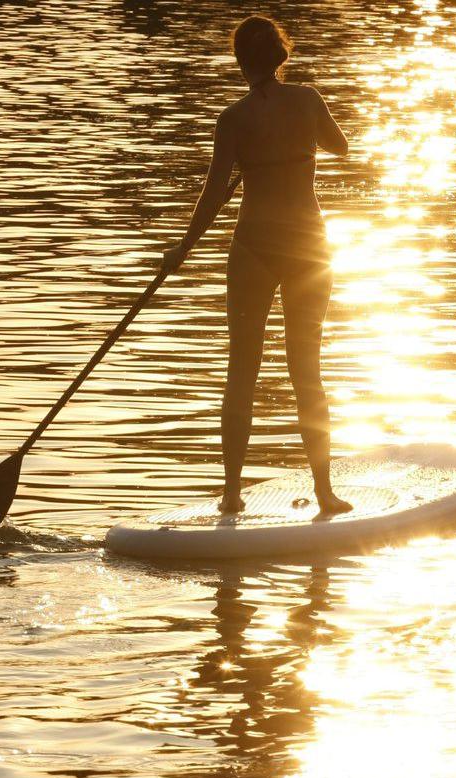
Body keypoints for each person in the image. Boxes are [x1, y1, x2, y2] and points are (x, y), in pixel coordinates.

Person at [163, 15, 353, 516]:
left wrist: (182, 248)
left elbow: (210, 196)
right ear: (281, 56)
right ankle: (326, 493)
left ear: (240, 63)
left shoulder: (232, 119)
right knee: (306, 372)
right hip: (308, 249)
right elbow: (342, 146)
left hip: (253, 248)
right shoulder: (309, 100)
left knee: (241, 370)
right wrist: (302, 142)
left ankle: (231, 493)